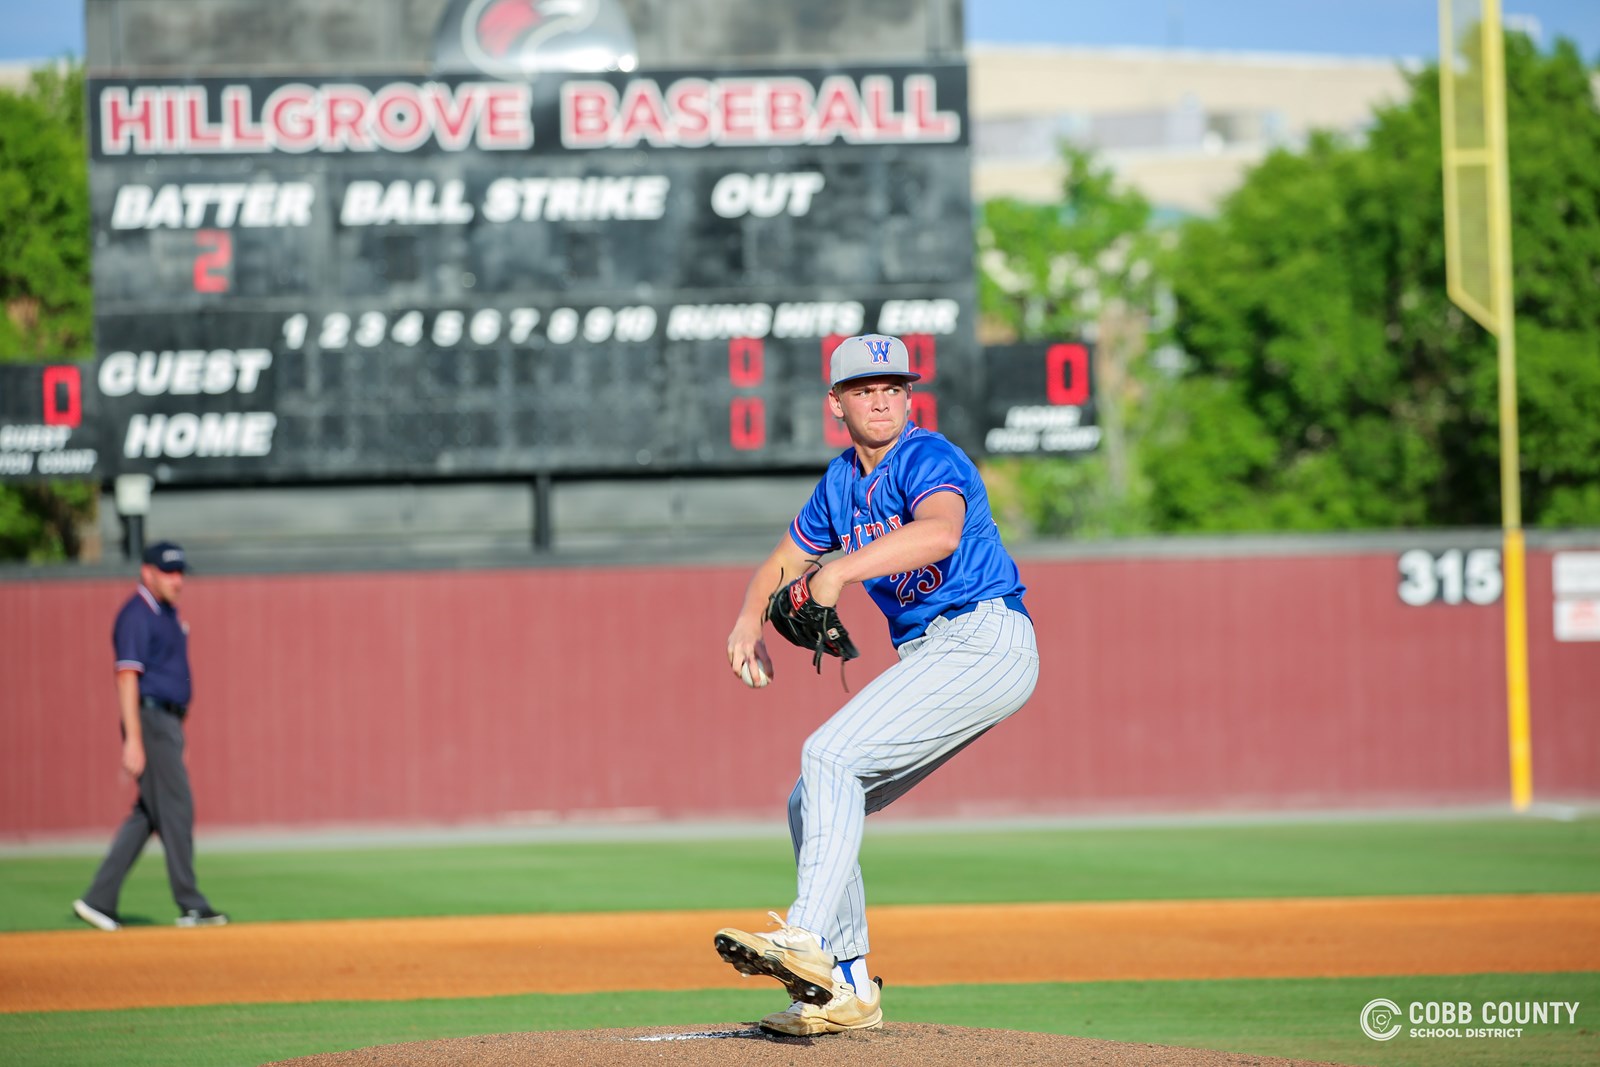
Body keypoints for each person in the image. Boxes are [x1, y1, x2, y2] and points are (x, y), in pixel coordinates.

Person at [716, 333, 1039, 1035]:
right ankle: (850, 990)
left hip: (983, 634)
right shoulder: (840, 483)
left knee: (828, 753)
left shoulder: (926, 455)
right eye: (865, 389)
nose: (883, 398)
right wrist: (749, 620)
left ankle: (805, 939)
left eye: (894, 386)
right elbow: (784, 558)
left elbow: (941, 533)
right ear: (837, 403)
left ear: (909, 396)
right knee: (816, 797)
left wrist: (838, 571)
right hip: (937, 651)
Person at [73, 540, 229, 931]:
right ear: (147, 572)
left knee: (149, 814)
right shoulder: (137, 614)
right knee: (177, 809)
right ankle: (191, 904)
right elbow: (127, 676)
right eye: (168, 572)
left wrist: (181, 735)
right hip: (151, 720)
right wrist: (134, 737)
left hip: (168, 724)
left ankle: (99, 900)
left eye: (179, 573)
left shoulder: (166, 614)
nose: (177, 580)